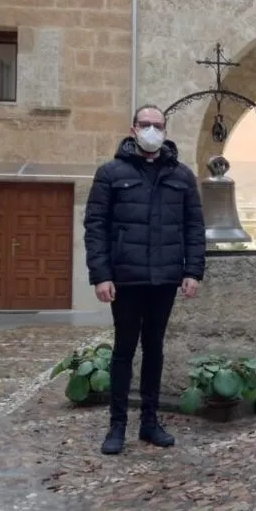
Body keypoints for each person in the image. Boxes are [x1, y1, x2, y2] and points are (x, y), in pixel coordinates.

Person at [84, 104, 206, 455]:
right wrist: (101, 275)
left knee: (154, 349)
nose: (152, 130)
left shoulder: (181, 175)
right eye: (145, 124)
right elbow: (96, 228)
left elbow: (194, 227)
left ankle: (149, 422)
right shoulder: (110, 173)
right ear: (133, 128)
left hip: (165, 278)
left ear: (165, 130)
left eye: (158, 125)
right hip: (125, 278)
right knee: (124, 350)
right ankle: (117, 425)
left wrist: (192, 270)